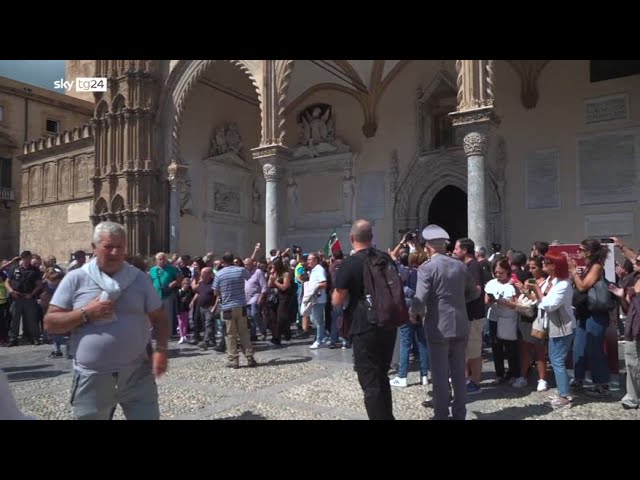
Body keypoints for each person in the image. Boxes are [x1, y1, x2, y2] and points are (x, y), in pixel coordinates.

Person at [44, 221, 168, 420]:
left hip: (137, 374)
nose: (115, 252)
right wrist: (85, 312)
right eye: (108, 246)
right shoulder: (76, 278)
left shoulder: (139, 279)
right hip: (93, 377)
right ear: (94, 248)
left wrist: (161, 350)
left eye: (120, 247)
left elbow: (160, 318)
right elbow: (50, 323)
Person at [410, 225, 479, 420]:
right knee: (458, 373)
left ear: (428, 247)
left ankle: (441, 415)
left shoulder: (427, 268)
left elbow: (420, 298)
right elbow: (473, 292)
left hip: (438, 325)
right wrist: (457, 301)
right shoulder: (459, 265)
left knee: (440, 375)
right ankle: (459, 414)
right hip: (460, 322)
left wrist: (412, 312)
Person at [332, 219, 398, 420]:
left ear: (352, 238)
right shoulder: (385, 258)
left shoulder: (350, 263)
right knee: (382, 375)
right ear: (372, 238)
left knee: (370, 381)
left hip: (363, 325)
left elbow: (337, 299)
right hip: (388, 322)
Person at [212, 252, 257, 368]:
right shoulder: (240, 270)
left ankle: (233, 359)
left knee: (230, 334)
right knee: (244, 332)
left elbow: (215, 292)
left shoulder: (219, 274)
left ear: (223, 261)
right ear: (233, 260)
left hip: (227, 306)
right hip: (241, 305)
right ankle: (250, 357)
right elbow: (249, 277)